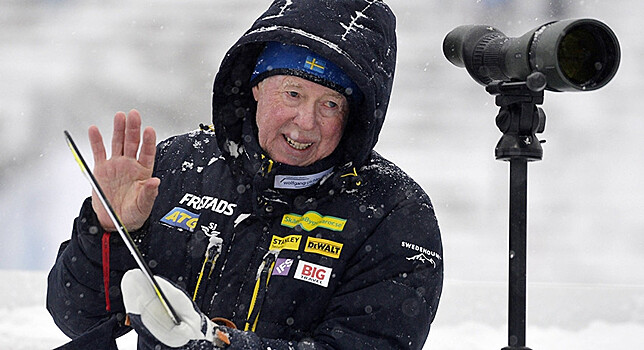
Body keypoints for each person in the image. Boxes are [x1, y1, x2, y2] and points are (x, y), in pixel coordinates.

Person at [47, 0, 443, 349]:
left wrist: (219, 343)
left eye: (330, 104)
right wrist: (109, 232)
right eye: (292, 93)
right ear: (256, 86)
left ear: (354, 116)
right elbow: (76, 316)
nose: (305, 122)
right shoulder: (177, 166)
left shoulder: (395, 213)